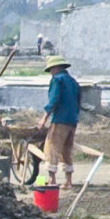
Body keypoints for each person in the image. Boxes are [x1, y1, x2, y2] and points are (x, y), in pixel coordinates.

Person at [36, 54, 80, 190]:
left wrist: (44, 118)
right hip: (72, 120)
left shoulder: (57, 80)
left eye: (51, 70)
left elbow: (54, 100)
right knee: (67, 149)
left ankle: (52, 180)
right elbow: (78, 101)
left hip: (60, 119)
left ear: (55, 68)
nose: (51, 73)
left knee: (51, 148)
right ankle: (68, 181)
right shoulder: (73, 81)